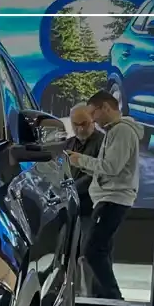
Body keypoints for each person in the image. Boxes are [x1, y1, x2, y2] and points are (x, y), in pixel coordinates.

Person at [67, 90, 143, 301]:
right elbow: (106, 168)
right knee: (100, 250)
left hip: (113, 199)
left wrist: (80, 160)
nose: (93, 119)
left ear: (106, 108)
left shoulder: (122, 131)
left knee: (93, 251)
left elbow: (111, 167)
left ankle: (113, 298)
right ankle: (104, 298)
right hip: (106, 199)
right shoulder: (115, 131)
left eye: (93, 114)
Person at [66, 103, 104, 295]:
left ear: (93, 121)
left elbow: (97, 175)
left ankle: (95, 296)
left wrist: (70, 189)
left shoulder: (104, 143)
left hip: (93, 208)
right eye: (76, 124)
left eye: (84, 124)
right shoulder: (68, 144)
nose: (80, 129)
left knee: (90, 254)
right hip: (71, 209)